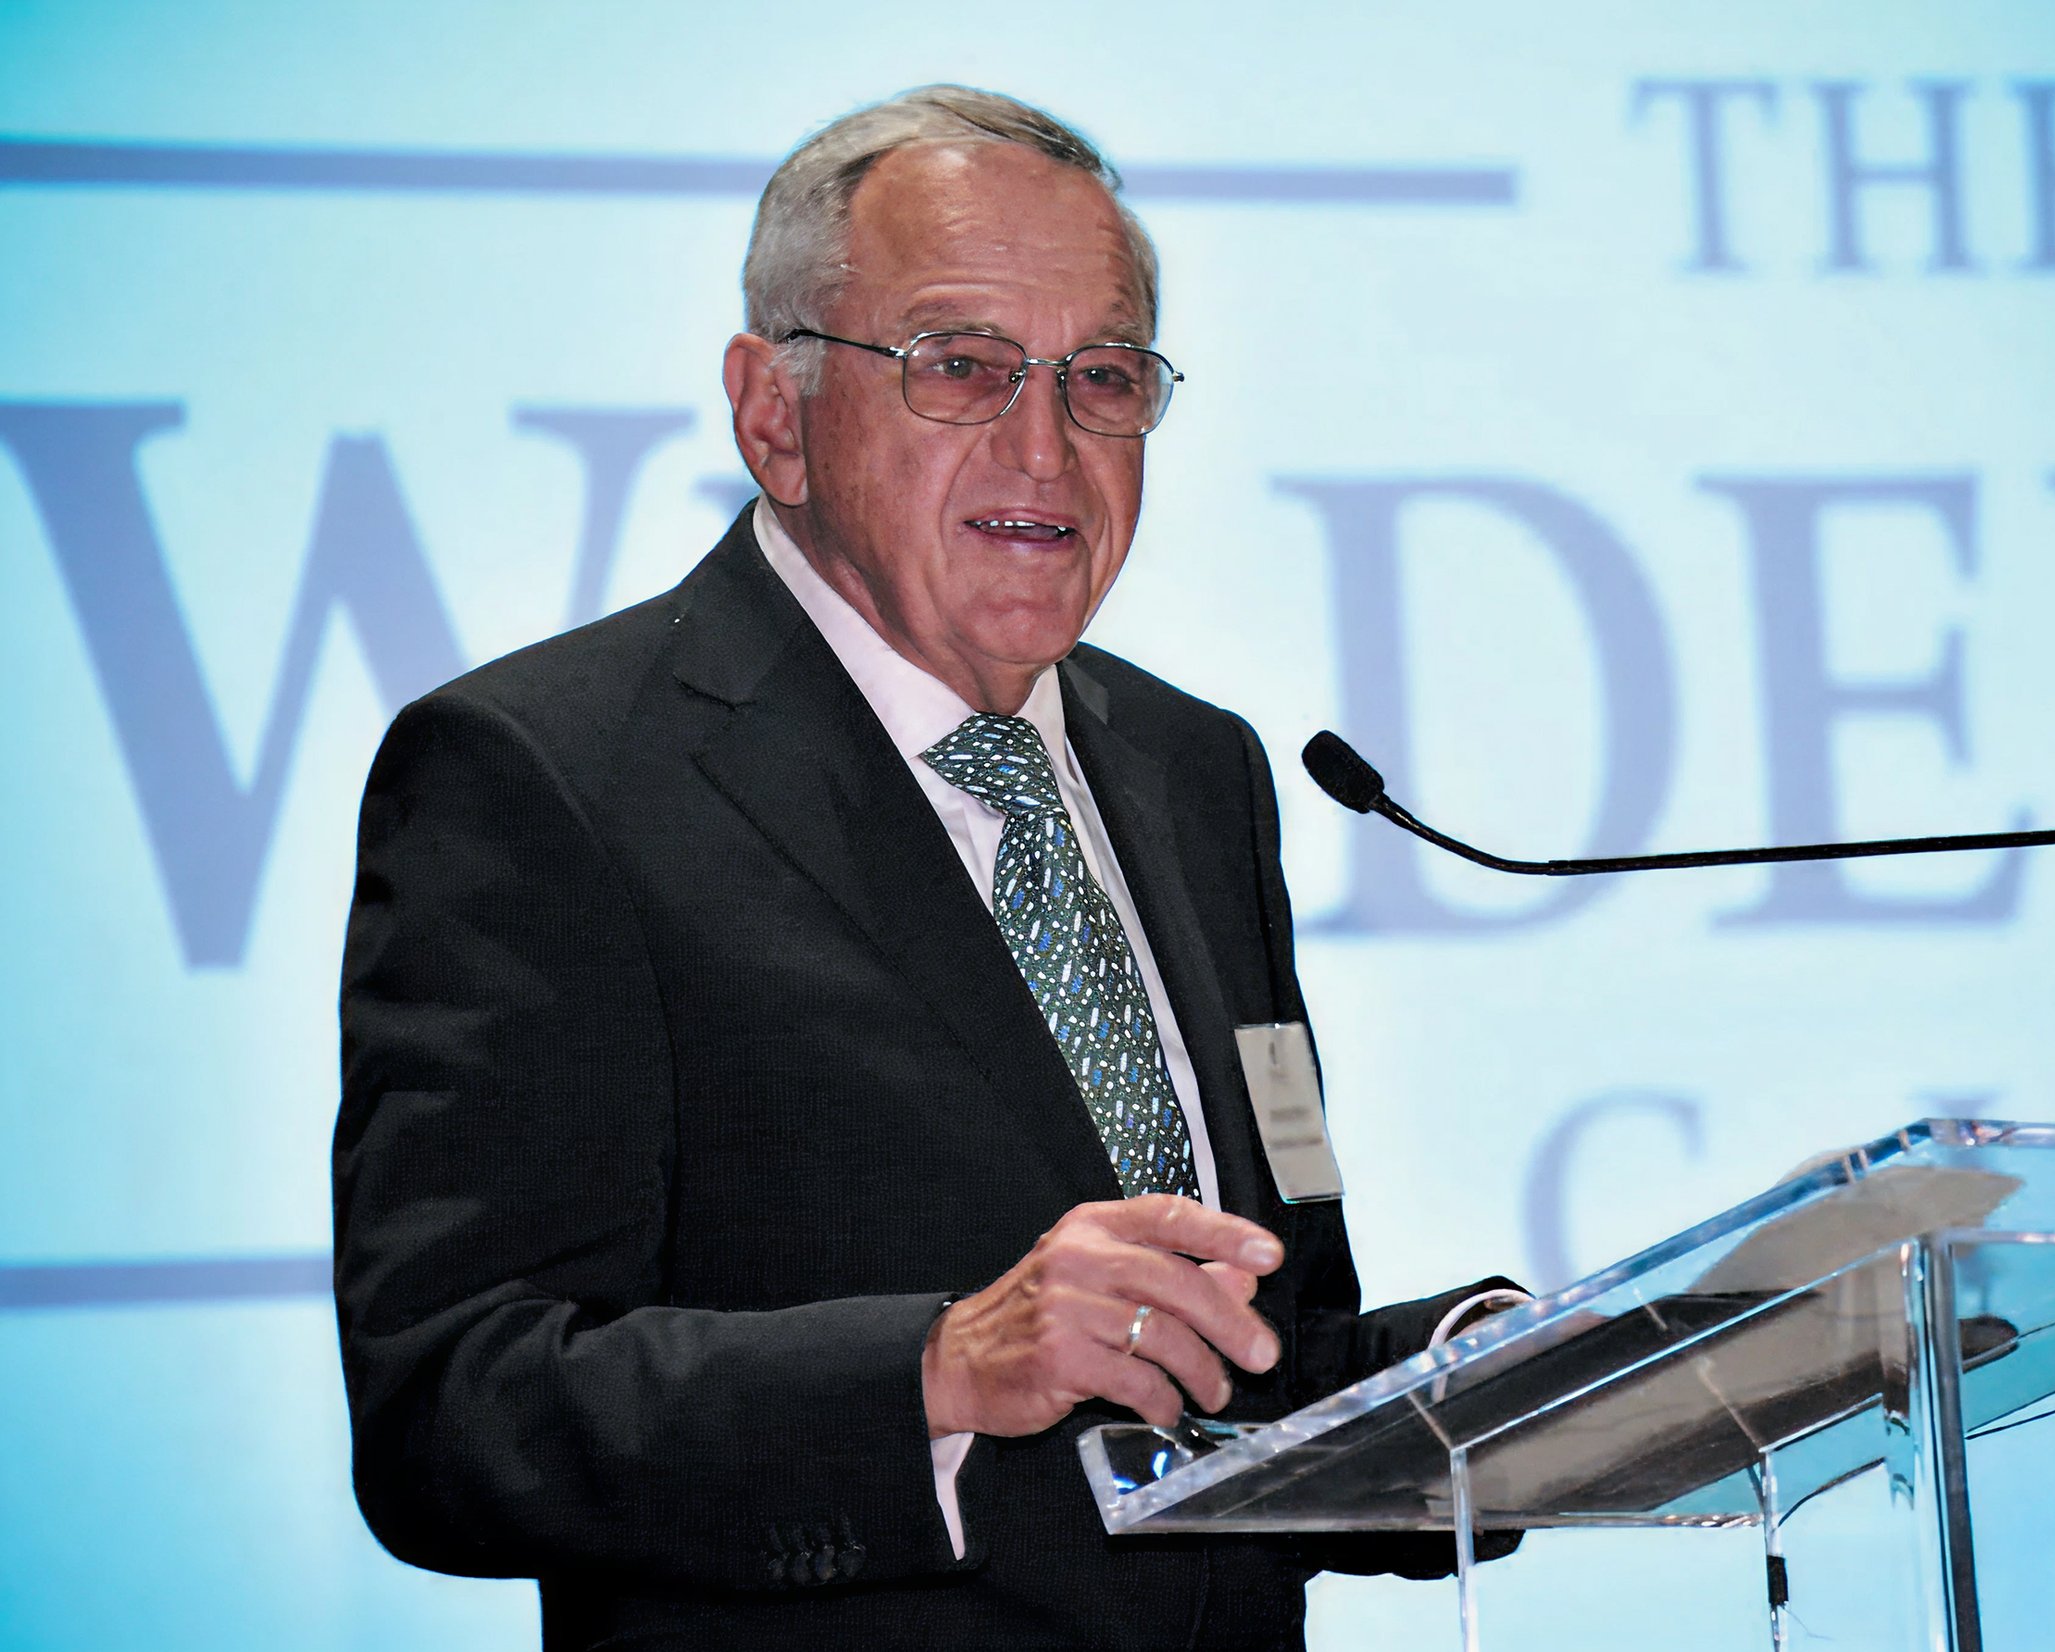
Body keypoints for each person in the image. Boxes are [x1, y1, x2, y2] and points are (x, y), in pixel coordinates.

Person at [333, 86, 1520, 1651]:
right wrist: (940, 1370)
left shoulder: (1192, 768)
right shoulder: (543, 777)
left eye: (1103, 377)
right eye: (960, 366)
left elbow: (1241, 1369)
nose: (1048, 443)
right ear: (775, 415)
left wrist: (1502, 1380)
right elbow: (451, 1413)